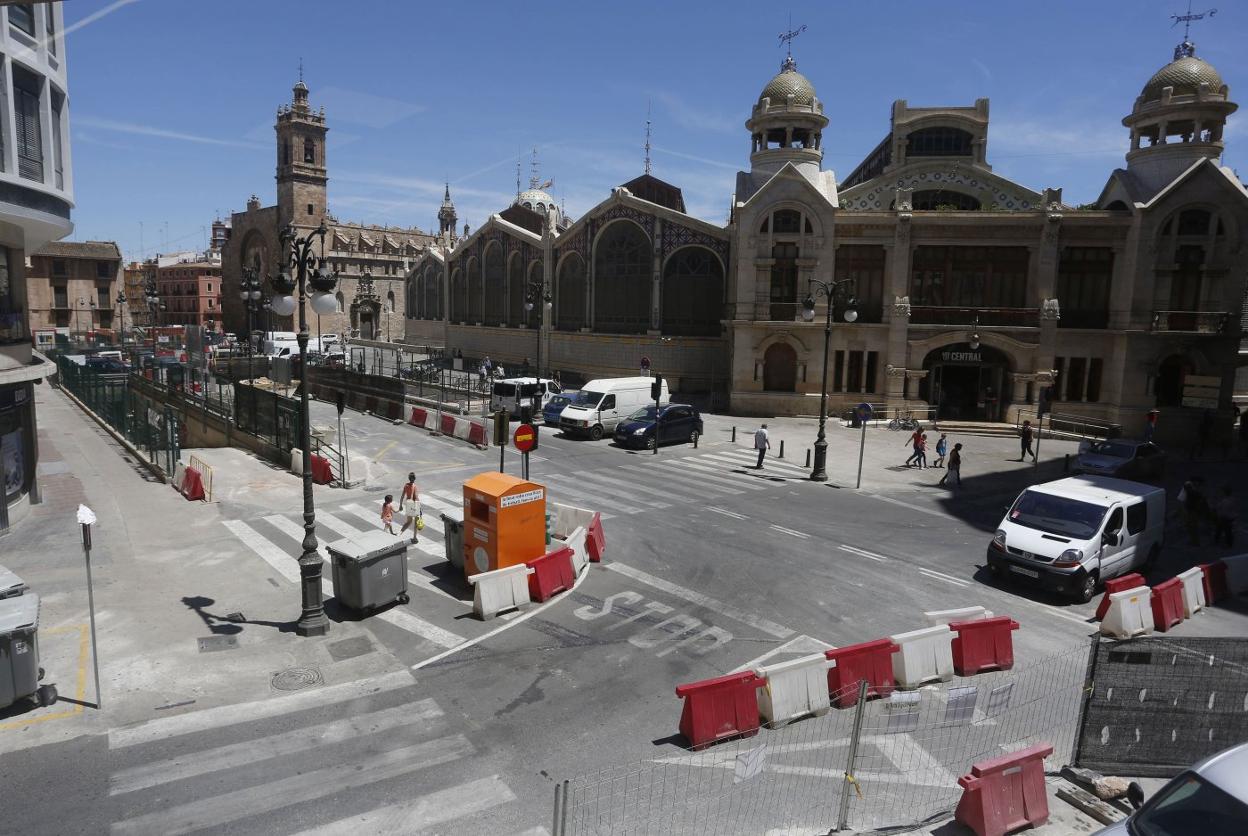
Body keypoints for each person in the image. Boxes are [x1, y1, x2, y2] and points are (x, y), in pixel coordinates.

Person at [1179, 477, 1207, 546]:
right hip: (1192, 511)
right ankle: (1194, 541)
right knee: (1191, 526)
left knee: (1193, 527)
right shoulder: (1194, 492)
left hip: (1193, 511)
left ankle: (1195, 542)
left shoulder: (1195, 493)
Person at [398, 472, 421, 543]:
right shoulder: (413, 486)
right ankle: (414, 538)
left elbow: (402, 496)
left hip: (408, 503)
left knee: (408, 522)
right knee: (416, 521)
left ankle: (399, 534)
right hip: (414, 504)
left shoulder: (406, 485)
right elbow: (411, 495)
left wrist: (400, 505)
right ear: (414, 478)